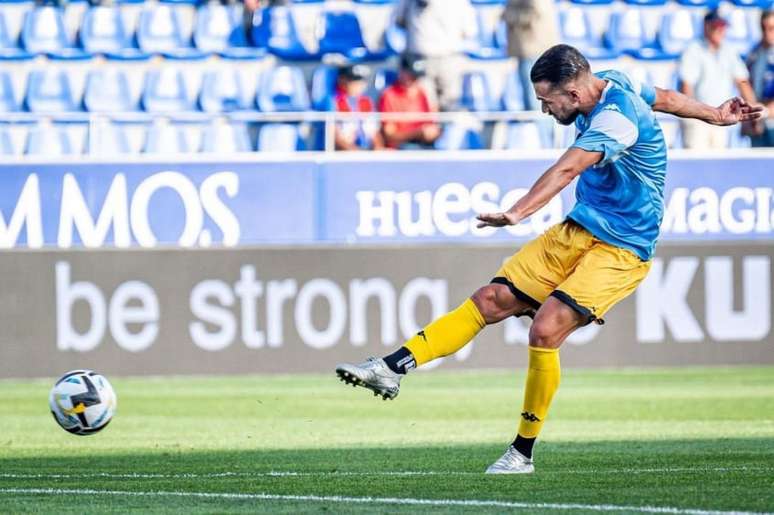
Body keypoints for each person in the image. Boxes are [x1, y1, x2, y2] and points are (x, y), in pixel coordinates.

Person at [336, 44, 762, 474]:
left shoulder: (615, 121)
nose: (543, 110)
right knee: (490, 299)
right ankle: (390, 368)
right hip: (579, 228)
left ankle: (521, 453)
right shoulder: (615, 79)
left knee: (545, 329)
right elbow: (665, 97)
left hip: (623, 246)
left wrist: (517, 212)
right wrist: (714, 114)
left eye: (547, 101)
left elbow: (567, 169)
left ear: (574, 95)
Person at [678, 9, 758, 149]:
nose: (720, 30)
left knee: (718, 164)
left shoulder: (729, 51)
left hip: (722, 119)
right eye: (716, 26)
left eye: (722, 26)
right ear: (706, 27)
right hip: (699, 120)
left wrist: (753, 112)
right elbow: (686, 85)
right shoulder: (693, 50)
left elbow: (742, 82)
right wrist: (691, 116)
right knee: (696, 164)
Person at [393, 0, 477, 111]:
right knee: (425, 105)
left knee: (446, 105)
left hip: (442, 58)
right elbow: (470, 31)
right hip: (424, 59)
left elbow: (399, 21)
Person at [502, 0, 560, 111]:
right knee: (536, 96)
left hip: (532, 49)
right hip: (531, 50)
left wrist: (509, 15)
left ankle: (537, 127)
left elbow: (534, 13)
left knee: (534, 98)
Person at [378, 55, 441, 150]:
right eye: (411, 76)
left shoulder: (423, 93)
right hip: (401, 149)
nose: (414, 80)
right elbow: (389, 135)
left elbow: (433, 126)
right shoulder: (389, 95)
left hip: (425, 145)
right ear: (401, 72)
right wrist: (417, 133)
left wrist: (433, 132)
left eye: (417, 76)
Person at [331, 64, 383, 151]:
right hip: (344, 154)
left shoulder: (367, 102)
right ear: (342, 80)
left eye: (360, 81)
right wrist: (355, 151)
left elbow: (374, 133)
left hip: (366, 152)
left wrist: (378, 148)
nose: (357, 84)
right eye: (352, 80)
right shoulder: (333, 102)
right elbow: (335, 137)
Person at [746, 10, 774, 147]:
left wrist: (766, 112)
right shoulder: (754, 54)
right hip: (759, 124)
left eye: (772, 28)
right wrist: (754, 116)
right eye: (764, 28)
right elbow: (747, 85)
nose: (767, 33)